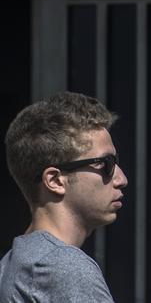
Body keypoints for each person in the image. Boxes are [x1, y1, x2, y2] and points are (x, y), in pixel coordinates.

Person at [0, 91, 128, 302]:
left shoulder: (9, 267)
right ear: (56, 181)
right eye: (106, 164)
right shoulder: (65, 268)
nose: (121, 179)